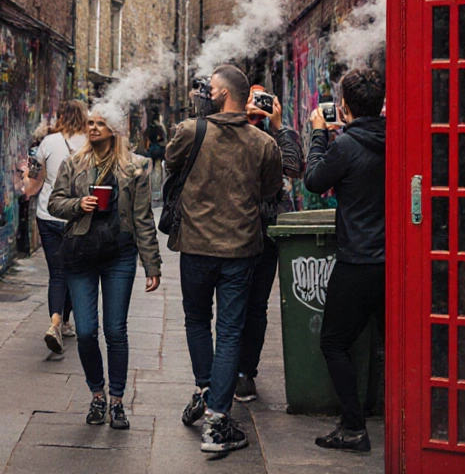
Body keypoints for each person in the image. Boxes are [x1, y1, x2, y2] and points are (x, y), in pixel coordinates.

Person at [165, 64, 283, 453]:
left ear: (225, 94)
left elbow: (171, 163)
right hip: (240, 250)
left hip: (196, 249)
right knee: (230, 330)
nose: (204, 93)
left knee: (198, 320)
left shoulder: (189, 131)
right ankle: (217, 419)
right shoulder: (263, 144)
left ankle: (205, 389)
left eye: (210, 89)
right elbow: (269, 190)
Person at [48, 111, 162, 430]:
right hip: (80, 255)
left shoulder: (135, 167)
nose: (93, 128)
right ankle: (96, 394)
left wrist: (151, 263)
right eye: (91, 123)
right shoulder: (73, 163)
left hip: (119, 255)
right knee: (85, 331)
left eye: (101, 123)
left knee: (115, 330)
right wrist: (76, 205)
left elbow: (143, 218)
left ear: (115, 130)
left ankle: (117, 401)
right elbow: (54, 202)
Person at [304, 67, 386, 453]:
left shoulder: (346, 145)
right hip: (394, 264)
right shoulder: (396, 137)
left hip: (357, 262)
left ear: (344, 106)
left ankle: (354, 426)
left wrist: (320, 133)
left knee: (334, 342)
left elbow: (314, 181)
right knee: (390, 343)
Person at [233, 89, 303, 403]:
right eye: (252, 98)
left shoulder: (274, 136)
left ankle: (246, 372)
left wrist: (278, 126)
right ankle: (225, 371)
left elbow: (293, 169)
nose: (258, 105)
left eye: (264, 99)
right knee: (232, 303)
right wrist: (240, 119)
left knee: (256, 305)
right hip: (232, 231)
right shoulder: (228, 131)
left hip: (266, 231)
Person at [22, 100, 88, 353]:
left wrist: (27, 186)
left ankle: (56, 323)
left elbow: (34, 176)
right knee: (73, 270)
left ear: (60, 116)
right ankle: (66, 321)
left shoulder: (48, 143)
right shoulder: (91, 142)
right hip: (78, 215)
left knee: (57, 272)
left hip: (48, 215)